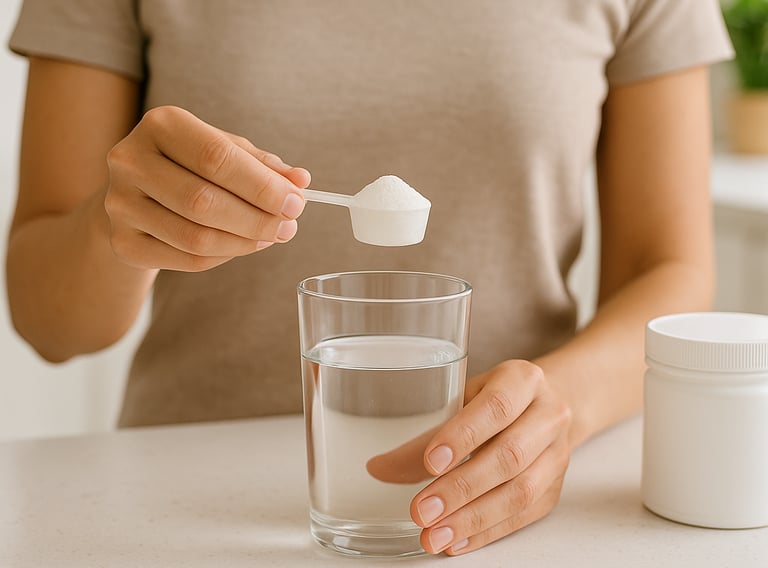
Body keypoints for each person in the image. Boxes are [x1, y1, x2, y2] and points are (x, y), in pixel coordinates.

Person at [6, 0, 732, 557]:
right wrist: (121, 226)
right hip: (176, 515)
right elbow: (50, 321)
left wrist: (555, 409)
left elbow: (666, 269)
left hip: (513, 510)